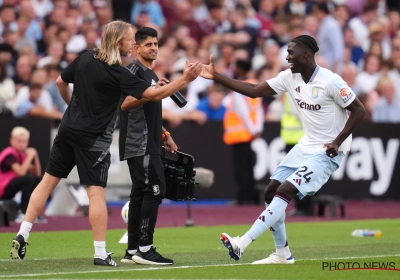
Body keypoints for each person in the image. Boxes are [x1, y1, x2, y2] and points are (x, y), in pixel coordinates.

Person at [9, 20, 202, 266]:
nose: (133, 42)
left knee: (47, 182)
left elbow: (60, 82)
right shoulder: (118, 72)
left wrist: (72, 108)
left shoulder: (85, 57)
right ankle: (100, 253)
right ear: (117, 42)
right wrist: (184, 79)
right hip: (94, 138)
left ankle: (23, 233)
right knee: (96, 193)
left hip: (67, 129)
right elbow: (153, 95)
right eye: (130, 39)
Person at [200, 35, 366, 264]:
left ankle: (242, 243)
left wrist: (337, 142)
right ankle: (282, 253)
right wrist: (216, 76)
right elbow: (254, 90)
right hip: (306, 145)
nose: (287, 57)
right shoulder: (290, 77)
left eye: (291, 52)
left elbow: (359, 111)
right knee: (270, 191)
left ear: (306, 54)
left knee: (285, 191)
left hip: (327, 151)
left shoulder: (331, 81)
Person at [119, 26, 193, 266]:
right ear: (137, 47)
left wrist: (165, 134)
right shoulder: (132, 71)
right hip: (139, 143)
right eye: (148, 44)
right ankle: (145, 248)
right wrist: (157, 90)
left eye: (155, 44)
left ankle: (132, 251)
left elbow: (149, 107)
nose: (153, 48)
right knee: (155, 190)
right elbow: (126, 104)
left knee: (140, 194)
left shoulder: (150, 74)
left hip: (150, 141)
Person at [223, 59, 264, 205]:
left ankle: (243, 198)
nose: (233, 69)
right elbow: (258, 109)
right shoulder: (255, 84)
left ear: (240, 69)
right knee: (248, 166)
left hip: (240, 133)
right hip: (249, 132)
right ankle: (249, 196)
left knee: (241, 168)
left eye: (235, 66)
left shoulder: (239, 86)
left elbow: (242, 111)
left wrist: (252, 129)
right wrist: (257, 128)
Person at [0, 127, 42, 222]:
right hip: (2, 189)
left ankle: (32, 212)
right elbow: (21, 172)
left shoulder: (21, 155)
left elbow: (37, 174)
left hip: (7, 188)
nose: (22, 144)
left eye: (24, 141)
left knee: (36, 180)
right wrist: (30, 156)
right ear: (11, 140)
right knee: (28, 179)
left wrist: (35, 157)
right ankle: (23, 213)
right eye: (19, 141)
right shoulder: (9, 154)